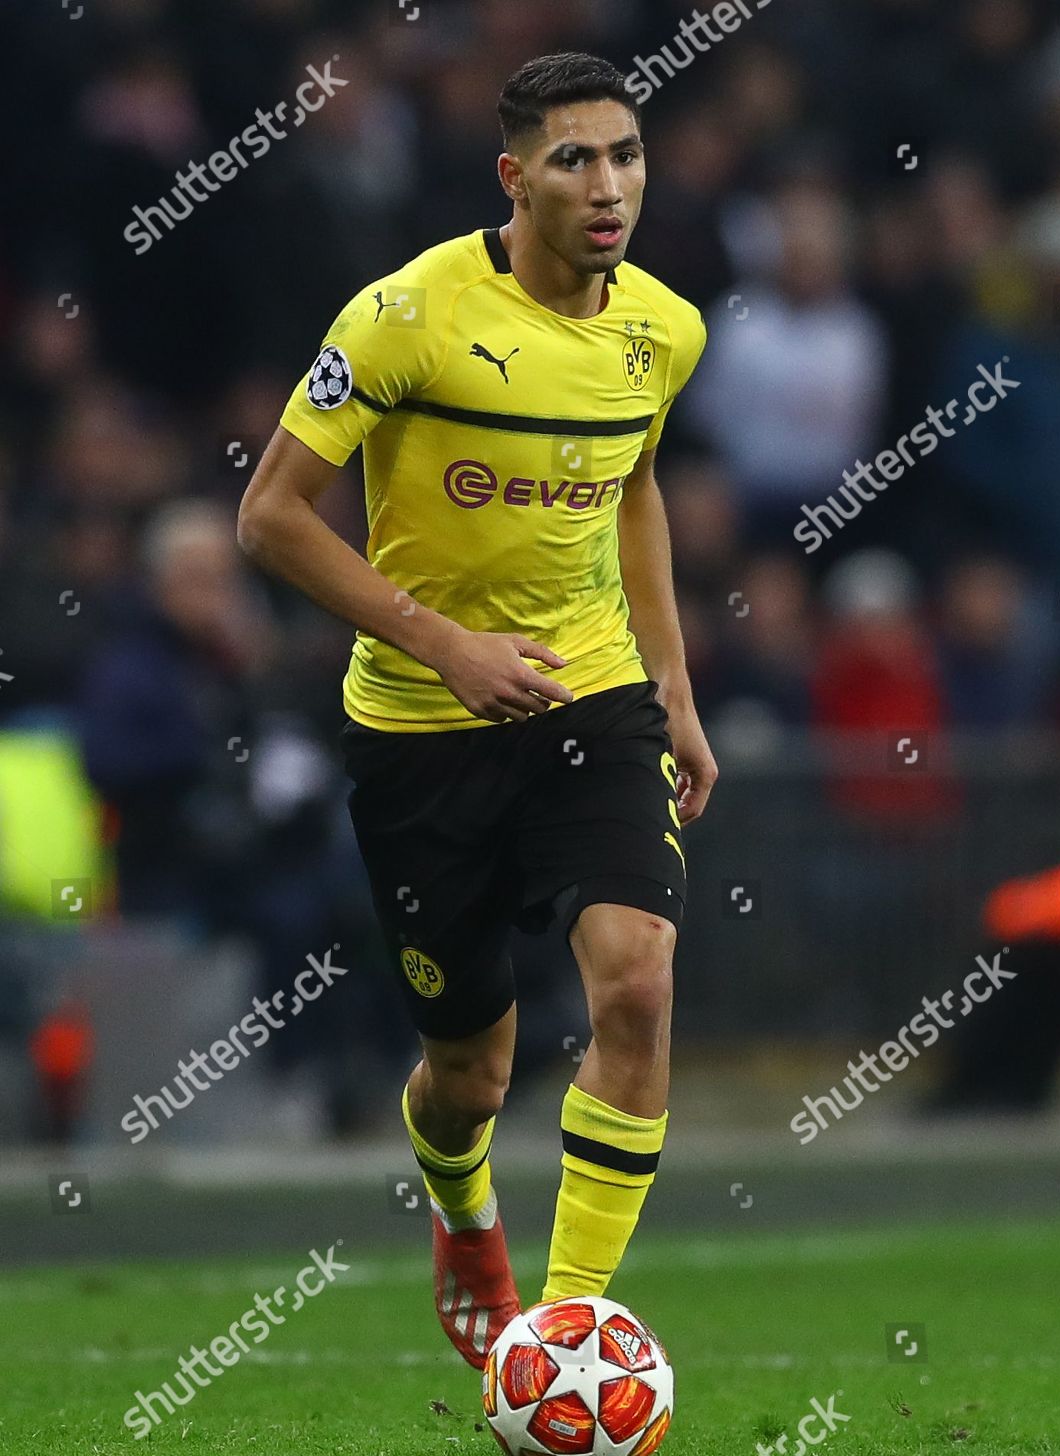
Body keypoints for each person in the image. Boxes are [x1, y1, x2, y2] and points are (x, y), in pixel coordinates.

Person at [237, 52, 717, 1368]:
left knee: (635, 988)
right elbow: (269, 518)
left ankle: (564, 1327)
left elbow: (629, 487)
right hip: (418, 728)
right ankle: (463, 1217)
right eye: (573, 159)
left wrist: (670, 686)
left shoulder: (663, 329)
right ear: (513, 178)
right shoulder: (402, 317)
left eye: (624, 153)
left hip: (590, 701)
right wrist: (439, 642)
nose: (607, 183)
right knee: (470, 1079)